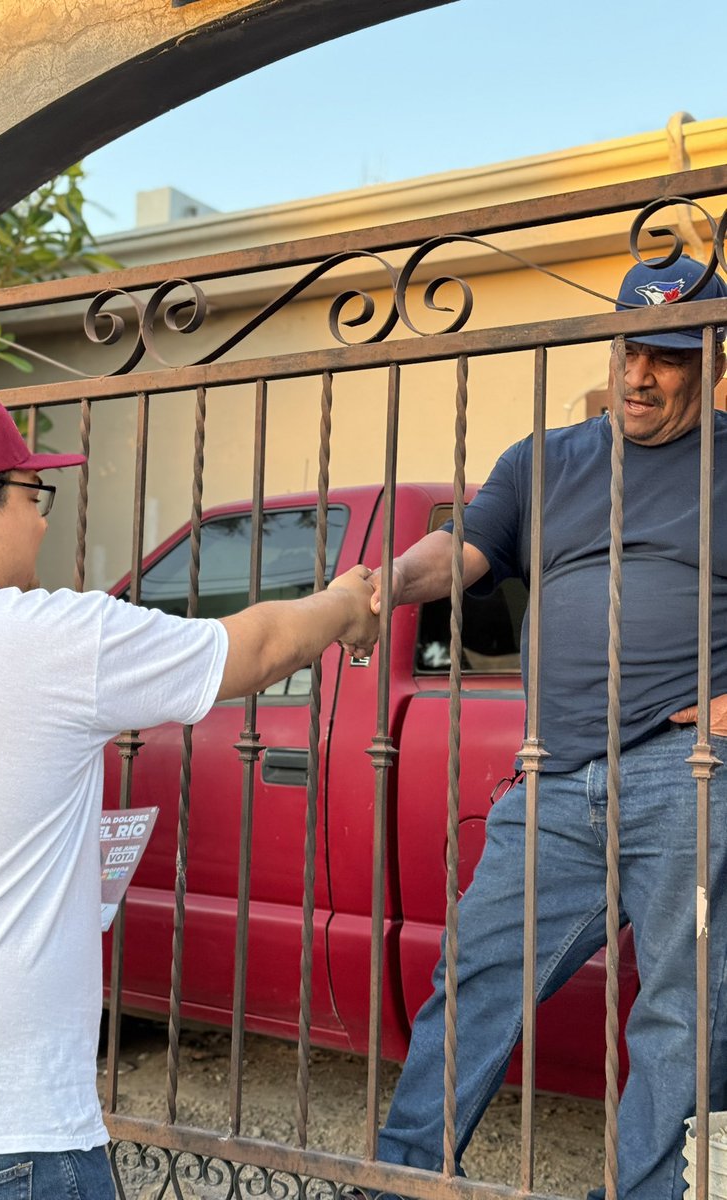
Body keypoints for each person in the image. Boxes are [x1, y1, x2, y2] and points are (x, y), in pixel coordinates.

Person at [0, 388, 378, 1198]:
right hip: (3, 1142)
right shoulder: (52, 637)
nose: (45, 521)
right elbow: (256, 648)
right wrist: (345, 601)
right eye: (33, 494)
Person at [368, 255, 727, 1200]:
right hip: (555, 777)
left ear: (711, 360)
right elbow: (468, 550)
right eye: (628, 350)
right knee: (476, 976)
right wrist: (385, 581)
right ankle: (402, 1182)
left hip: (687, 772)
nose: (640, 374)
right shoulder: (543, 460)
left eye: (668, 355)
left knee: (683, 1020)